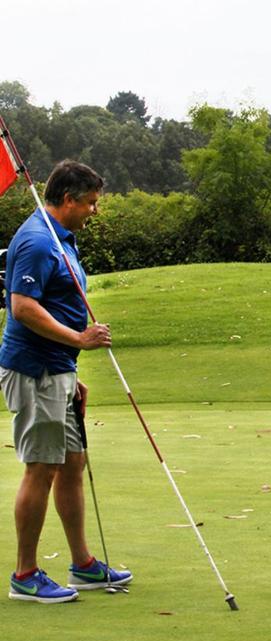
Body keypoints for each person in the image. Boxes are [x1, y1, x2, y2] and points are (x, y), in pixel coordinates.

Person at [2, 160, 132, 603]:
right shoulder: (38, 242)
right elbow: (22, 307)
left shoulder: (62, 239)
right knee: (41, 468)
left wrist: (70, 369)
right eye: (91, 203)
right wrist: (79, 338)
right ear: (69, 199)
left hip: (58, 369)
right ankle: (25, 574)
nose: (95, 211)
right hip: (34, 369)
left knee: (72, 463)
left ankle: (83, 565)